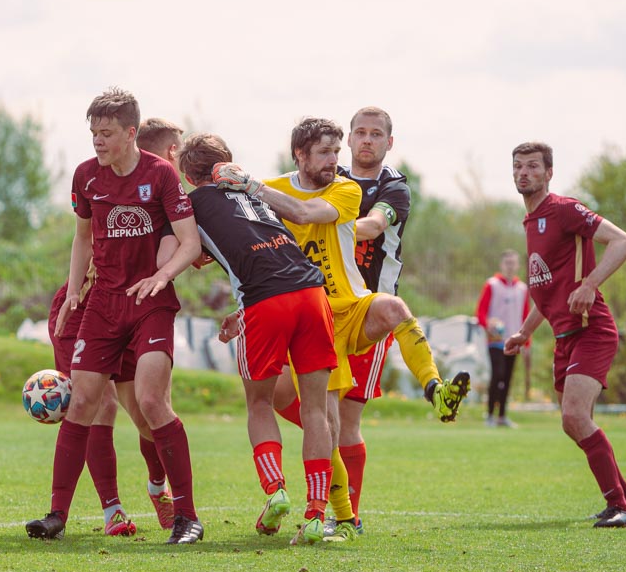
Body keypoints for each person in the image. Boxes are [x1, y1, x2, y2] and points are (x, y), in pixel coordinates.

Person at [213, 117, 471, 539]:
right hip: (315, 316)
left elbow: (305, 212)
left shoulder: (345, 190)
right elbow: (254, 253)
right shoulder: (273, 189)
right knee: (328, 422)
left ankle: (435, 390)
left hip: (352, 305)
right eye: (325, 152)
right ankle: (345, 518)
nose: (335, 160)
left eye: (337, 151)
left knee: (393, 307)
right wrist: (243, 309)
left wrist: (251, 186)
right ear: (300, 155)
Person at [25, 88, 204, 544]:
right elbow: (82, 237)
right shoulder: (86, 176)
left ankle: (187, 517)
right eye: (93, 133)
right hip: (103, 304)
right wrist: (73, 292)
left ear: (130, 133)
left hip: (150, 303)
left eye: (106, 133)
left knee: (150, 401)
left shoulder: (160, 175)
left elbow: (190, 243)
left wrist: (161, 276)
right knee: (83, 400)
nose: (98, 141)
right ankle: (56, 515)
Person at [179, 132, 338, 546]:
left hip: (265, 302)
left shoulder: (190, 204)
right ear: (227, 162)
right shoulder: (256, 192)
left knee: (259, 403)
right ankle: (317, 515)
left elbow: (192, 254)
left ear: (188, 176)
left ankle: (276, 490)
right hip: (312, 294)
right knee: (316, 410)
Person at [504, 141, 626, 529]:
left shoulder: (563, 209)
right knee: (574, 421)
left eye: (533, 166)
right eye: (518, 166)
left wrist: (590, 284)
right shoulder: (531, 221)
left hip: (591, 330)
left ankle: (620, 507)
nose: (524, 173)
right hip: (565, 336)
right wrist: (524, 332)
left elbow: (624, 242)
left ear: (549, 173)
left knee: (575, 416)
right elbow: (546, 291)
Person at [335, 106, 411, 534]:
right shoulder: (330, 178)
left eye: (376, 134)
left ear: (389, 142)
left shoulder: (394, 188)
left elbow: (372, 226)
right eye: (360, 132)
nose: (367, 139)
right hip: (325, 310)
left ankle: (348, 515)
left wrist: (317, 219)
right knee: (282, 396)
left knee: (345, 420)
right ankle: (313, 502)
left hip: (370, 316)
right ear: (348, 139)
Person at [476, 249, 530, 428]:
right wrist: (488, 325)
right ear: (501, 265)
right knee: (497, 375)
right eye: (507, 262)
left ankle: (502, 416)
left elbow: (525, 315)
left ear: (518, 265)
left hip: (513, 340)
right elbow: (480, 312)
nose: (510, 266)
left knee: (507, 378)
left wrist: (527, 341)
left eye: (513, 263)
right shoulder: (491, 285)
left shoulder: (522, 289)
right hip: (496, 340)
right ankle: (490, 414)